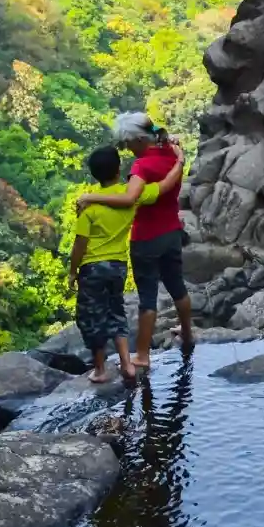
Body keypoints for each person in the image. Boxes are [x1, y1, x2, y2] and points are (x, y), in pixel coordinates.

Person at [76, 112, 194, 371]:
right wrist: (181, 159)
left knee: (148, 297)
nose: (126, 149)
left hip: (147, 238)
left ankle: (142, 355)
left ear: (139, 140)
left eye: (127, 143)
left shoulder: (141, 167)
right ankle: (187, 333)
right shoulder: (172, 152)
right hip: (172, 230)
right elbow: (166, 184)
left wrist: (91, 197)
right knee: (177, 285)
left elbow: (129, 198)